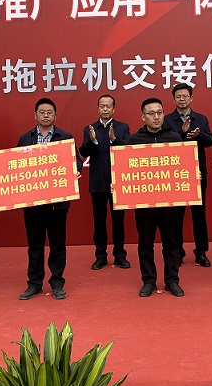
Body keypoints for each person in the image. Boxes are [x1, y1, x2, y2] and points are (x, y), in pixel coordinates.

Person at [17, 98, 81, 301]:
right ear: (35, 115)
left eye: (49, 112)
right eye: (42, 112)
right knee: (34, 245)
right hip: (32, 203)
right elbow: (15, 164)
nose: (45, 115)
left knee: (57, 244)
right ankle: (34, 283)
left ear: (55, 115)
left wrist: (77, 170)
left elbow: (77, 160)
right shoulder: (25, 138)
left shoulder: (65, 136)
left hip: (58, 203)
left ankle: (57, 283)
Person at [128, 98, 185, 297]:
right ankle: (148, 281)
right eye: (151, 113)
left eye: (160, 112)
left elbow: (183, 166)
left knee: (171, 244)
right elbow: (125, 169)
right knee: (145, 244)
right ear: (143, 116)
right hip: (144, 204)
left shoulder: (174, 137)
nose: (156, 117)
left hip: (170, 203)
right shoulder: (133, 140)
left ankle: (172, 281)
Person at [78, 94, 131, 270]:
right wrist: (92, 140)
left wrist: (114, 139)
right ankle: (100, 256)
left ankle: (120, 256)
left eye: (109, 106)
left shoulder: (123, 127)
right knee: (99, 222)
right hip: (97, 183)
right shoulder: (90, 129)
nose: (105, 109)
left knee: (118, 221)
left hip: (118, 183)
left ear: (114, 109)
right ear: (98, 108)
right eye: (102, 106)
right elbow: (83, 152)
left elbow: (128, 149)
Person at [166, 83, 212, 267]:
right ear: (174, 99)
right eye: (178, 96)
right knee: (176, 215)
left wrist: (198, 135)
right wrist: (183, 133)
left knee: (199, 214)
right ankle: (178, 251)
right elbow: (166, 142)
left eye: (185, 96)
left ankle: (201, 252)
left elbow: (210, 141)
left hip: (197, 172)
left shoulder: (200, 118)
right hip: (176, 173)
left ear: (191, 98)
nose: (182, 99)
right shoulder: (167, 120)